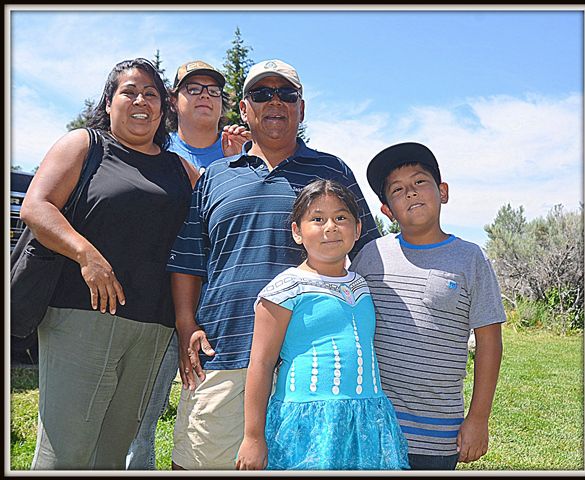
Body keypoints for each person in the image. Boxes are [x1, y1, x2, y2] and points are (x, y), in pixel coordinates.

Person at [166, 59, 380, 470]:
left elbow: (369, 253)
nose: (275, 102)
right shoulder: (215, 177)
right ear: (244, 110)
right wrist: (186, 325)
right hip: (225, 351)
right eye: (261, 94)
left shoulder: (332, 171)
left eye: (287, 94)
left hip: (312, 365)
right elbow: (189, 259)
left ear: (302, 108)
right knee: (200, 463)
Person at [20, 58, 199, 470]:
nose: (141, 100)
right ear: (109, 101)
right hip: (82, 317)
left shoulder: (179, 169)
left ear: (164, 108)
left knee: (113, 453)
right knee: (65, 452)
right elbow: (36, 206)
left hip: (152, 328)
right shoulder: (85, 145)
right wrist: (87, 255)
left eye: (151, 94)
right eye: (129, 91)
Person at [350, 142, 506, 470]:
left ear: (443, 191)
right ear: (387, 210)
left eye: (420, 181)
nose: (410, 192)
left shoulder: (471, 258)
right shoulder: (371, 255)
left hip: (439, 432)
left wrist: (478, 418)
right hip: (375, 424)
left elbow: (490, 342)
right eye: (397, 189)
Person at [125, 59, 250, 471]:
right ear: (173, 102)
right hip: (150, 301)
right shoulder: (154, 149)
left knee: (206, 413)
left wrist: (237, 165)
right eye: (193, 89)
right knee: (134, 416)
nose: (204, 97)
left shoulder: (247, 153)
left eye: (214, 91)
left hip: (216, 312)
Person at [235, 179, 410, 470]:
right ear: (297, 231)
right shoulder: (285, 288)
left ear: (357, 229)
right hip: (308, 421)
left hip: (367, 419)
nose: (330, 227)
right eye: (317, 219)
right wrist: (253, 437)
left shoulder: (360, 285)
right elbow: (261, 364)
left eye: (341, 218)